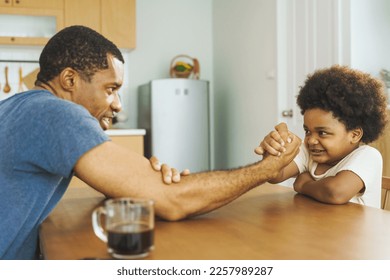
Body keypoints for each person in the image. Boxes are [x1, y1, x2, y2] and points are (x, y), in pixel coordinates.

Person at [0, 25, 300, 259]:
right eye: (111, 89)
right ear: (69, 80)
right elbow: (173, 201)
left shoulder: (19, 107)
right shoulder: (57, 114)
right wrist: (267, 169)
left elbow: (138, 192)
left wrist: (140, 179)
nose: (117, 104)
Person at [255, 65, 388, 208]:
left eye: (322, 133)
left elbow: (335, 192)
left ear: (354, 135)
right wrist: (273, 151)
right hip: (320, 227)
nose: (311, 140)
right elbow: (275, 175)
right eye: (307, 131)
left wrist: (304, 184)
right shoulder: (309, 152)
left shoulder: (368, 156)